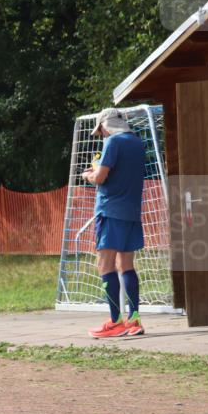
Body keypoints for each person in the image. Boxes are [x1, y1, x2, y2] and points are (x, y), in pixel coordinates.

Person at [83, 108, 146, 338]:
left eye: (100, 131)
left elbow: (100, 177)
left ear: (105, 126)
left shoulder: (112, 142)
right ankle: (135, 319)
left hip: (110, 211)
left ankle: (116, 321)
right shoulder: (138, 143)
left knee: (105, 265)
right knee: (126, 265)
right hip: (132, 211)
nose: (101, 136)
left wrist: (88, 175)